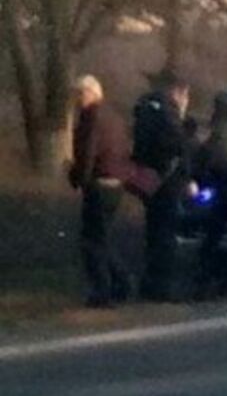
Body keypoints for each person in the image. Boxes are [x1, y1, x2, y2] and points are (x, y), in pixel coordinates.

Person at [67, 76, 135, 307]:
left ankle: (104, 291)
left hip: (99, 183)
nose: (77, 100)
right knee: (102, 238)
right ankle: (121, 283)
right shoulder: (114, 116)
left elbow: (88, 152)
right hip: (116, 183)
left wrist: (79, 179)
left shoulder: (92, 117)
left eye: (80, 94)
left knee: (92, 241)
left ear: (93, 93)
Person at [131, 71, 194, 302]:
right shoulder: (169, 114)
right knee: (166, 236)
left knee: (153, 232)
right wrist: (186, 178)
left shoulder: (146, 107)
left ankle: (149, 284)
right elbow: (180, 148)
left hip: (148, 180)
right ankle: (162, 288)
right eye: (186, 95)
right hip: (167, 182)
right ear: (178, 92)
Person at [193, 93, 227, 296]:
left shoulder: (213, 130)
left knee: (213, 235)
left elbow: (204, 157)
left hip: (216, 185)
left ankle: (204, 279)